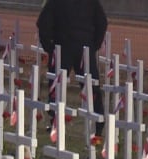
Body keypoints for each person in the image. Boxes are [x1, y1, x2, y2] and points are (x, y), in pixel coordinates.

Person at [37, 0, 107, 141]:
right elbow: (102, 22)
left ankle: (55, 122)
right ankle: (98, 125)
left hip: (62, 46)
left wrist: (49, 47)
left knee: (57, 85)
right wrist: (94, 45)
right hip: (84, 47)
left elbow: (42, 22)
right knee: (91, 86)